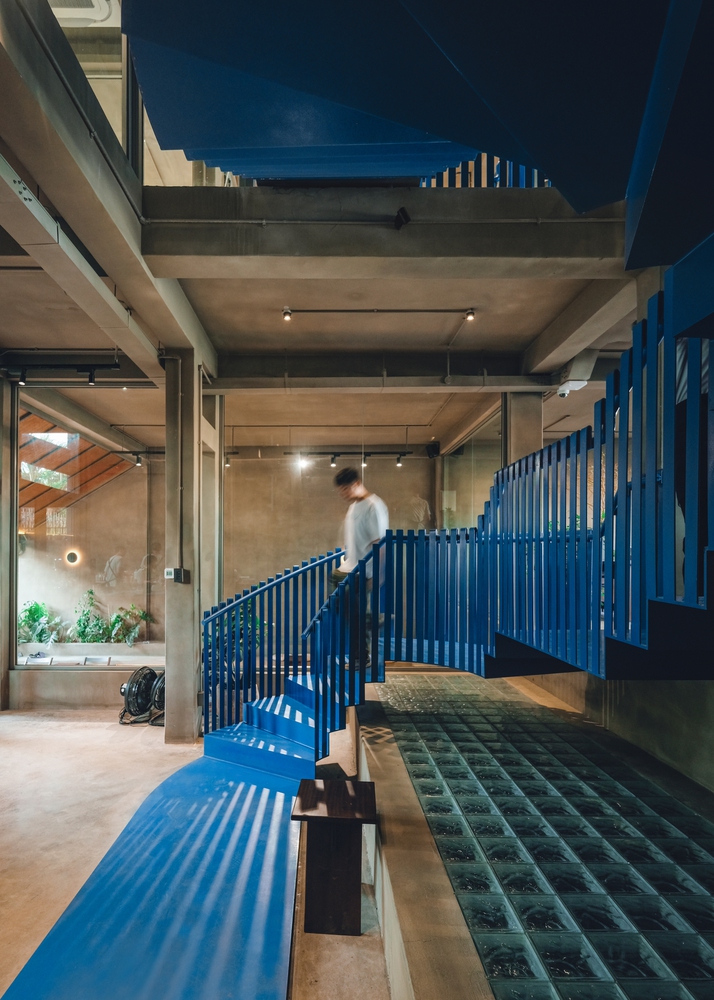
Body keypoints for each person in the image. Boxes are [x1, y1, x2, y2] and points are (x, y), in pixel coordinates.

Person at [331, 468, 389, 660]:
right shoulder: (354, 506)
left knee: (355, 617)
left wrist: (378, 575)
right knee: (346, 608)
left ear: (356, 484)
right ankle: (371, 619)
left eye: (345, 489)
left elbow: (380, 543)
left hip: (364, 570)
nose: (343, 494)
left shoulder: (373, 506)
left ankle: (361, 657)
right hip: (352, 568)